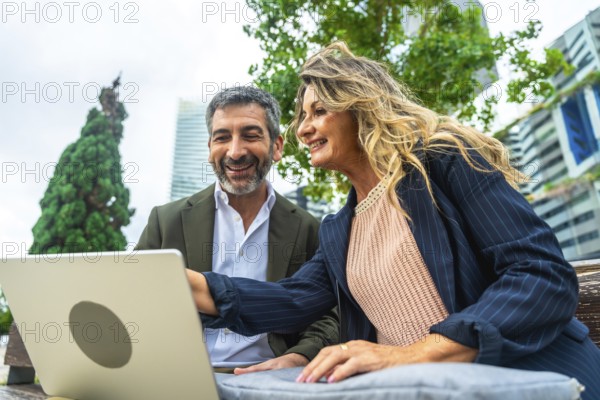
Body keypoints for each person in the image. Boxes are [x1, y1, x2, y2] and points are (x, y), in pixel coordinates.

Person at [184, 43, 600, 398]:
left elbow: (540, 274)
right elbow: (292, 300)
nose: (303, 129)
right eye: (301, 116)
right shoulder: (339, 229)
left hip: (533, 379)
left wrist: (412, 354)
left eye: (319, 110)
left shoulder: (444, 162)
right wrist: (194, 287)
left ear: (360, 107)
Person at [136, 86, 339, 373]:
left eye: (250, 135)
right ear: (209, 148)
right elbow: (133, 299)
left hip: (272, 379)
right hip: (181, 377)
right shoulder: (165, 221)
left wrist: (300, 356)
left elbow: (329, 312)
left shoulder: (309, 228)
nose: (235, 151)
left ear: (277, 146)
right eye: (222, 137)